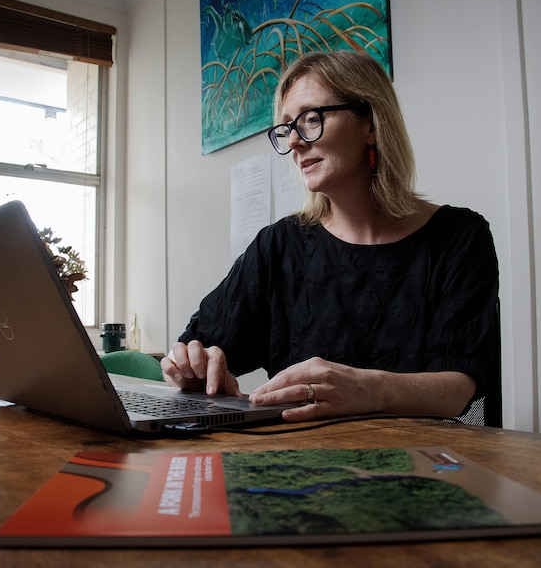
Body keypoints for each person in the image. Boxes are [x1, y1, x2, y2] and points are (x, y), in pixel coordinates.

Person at [161, 50, 499, 423]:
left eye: (309, 119)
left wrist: (366, 389)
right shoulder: (278, 247)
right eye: (287, 128)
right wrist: (194, 365)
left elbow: (458, 388)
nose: (293, 143)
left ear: (371, 123)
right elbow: (198, 349)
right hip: (299, 468)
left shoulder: (459, 237)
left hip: (419, 464)